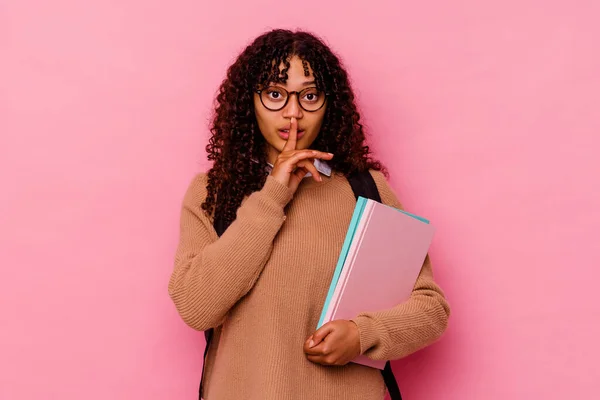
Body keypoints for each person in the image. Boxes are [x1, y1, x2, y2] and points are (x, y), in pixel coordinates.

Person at [168, 28, 451, 400]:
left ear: (328, 103)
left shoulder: (365, 190)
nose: (293, 112)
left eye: (310, 96)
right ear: (248, 102)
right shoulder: (212, 192)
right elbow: (195, 307)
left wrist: (363, 334)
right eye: (275, 94)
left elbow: (431, 308)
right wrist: (274, 195)